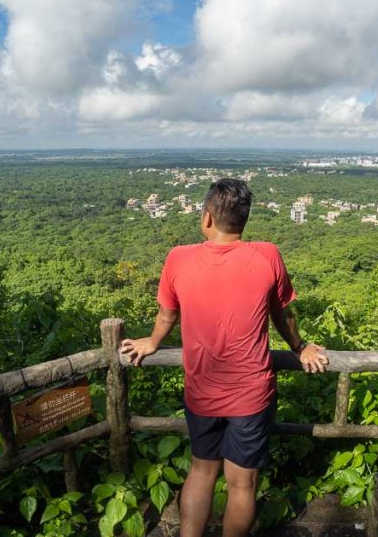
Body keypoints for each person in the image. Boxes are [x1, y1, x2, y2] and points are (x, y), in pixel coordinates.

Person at [120, 178, 329, 537]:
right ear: (244, 220)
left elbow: (167, 316)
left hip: (202, 389)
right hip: (251, 392)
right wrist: (300, 347)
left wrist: (152, 342)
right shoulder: (267, 254)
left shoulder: (178, 258)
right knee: (242, 485)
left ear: (206, 219)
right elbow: (283, 316)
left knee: (201, 471)